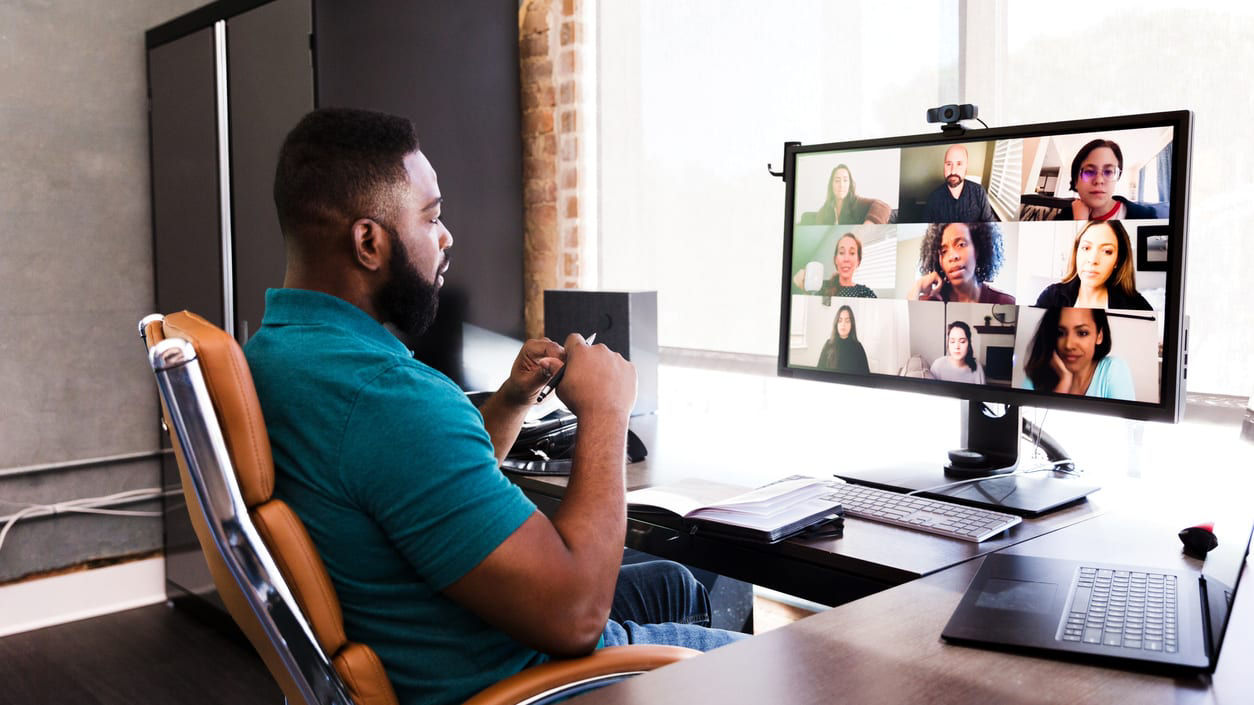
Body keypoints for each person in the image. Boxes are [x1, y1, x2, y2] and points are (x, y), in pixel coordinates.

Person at [244, 108, 744, 705]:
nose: (447, 235)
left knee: (676, 586)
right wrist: (607, 410)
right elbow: (577, 614)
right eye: (432, 217)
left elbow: (411, 486)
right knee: (796, 665)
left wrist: (511, 401)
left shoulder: (277, 355)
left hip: (440, 631)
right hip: (520, 679)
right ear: (369, 242)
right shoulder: (387, 396)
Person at [1034, 220, 1153, 310]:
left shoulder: (1138, 306)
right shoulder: (1051, 296)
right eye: (1086, 248)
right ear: (1076, 252)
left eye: (1107, 251)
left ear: (1118, 260)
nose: (1092, 260)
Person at [1022, 307, 1135, 400]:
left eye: (1082, 333)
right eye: (1060, 333)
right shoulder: (1036, 376)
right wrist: (1064, 383)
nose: (1069, 345)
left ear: (1099, 335)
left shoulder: (1113, 370)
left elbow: (1127, 425)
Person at [908, 222, 1015, 304]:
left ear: (977, 249)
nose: (952, 256)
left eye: (961, 244)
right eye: (944, 251)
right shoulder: (930, 301)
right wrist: (918, 285)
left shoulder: (1004, 302)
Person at [1054, 138, 1159, 221]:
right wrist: (1078, 223)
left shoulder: (1145, 216)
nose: (1099, 180)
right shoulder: (1063, 218)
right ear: (1075, 181)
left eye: (1108, 172)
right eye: (1089, 172)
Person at [798, 164, 890, 225]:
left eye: (845, 180)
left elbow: (884, 206)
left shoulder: (857, 202)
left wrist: (867, 226)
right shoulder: (825, 209)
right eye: (837, 181)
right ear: (831, 185)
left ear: (850, 184)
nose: (841, 185)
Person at [793, 231, 877, 298]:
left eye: (852, 253)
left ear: (858, 261)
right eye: (841, 252)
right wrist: (802, 285)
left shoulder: (866, 293)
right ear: (835, 259)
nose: (846, 259)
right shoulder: (821, 287)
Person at [924, 144, 995, 222]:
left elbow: (991, 226)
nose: (953, 171)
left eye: (959, 164)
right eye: (948, 164)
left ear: (966, 166)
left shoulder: (979, 192)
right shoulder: (934, 198)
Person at [816, 305, 871, 374]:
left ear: (852, 325)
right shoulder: (828, 344)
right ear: (836, 324)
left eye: (847, 321)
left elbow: (865, 375)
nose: (843, 324)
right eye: (840, 320)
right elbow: (819, 372)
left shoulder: (858, 347)